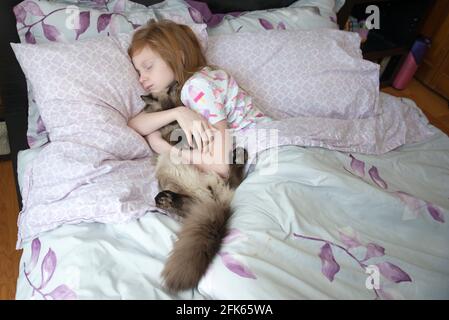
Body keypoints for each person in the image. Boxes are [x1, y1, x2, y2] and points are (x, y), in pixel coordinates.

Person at [127, 20, 271, 179]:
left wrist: (160, 146)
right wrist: (177, 113)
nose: (141, 79)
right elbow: (134, 124)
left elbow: (221, 166)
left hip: (266, 156)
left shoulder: (196, 88)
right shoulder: (201, 80)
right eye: (138, 72)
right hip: (267, 151)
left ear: (178, 57)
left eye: (148, 67)